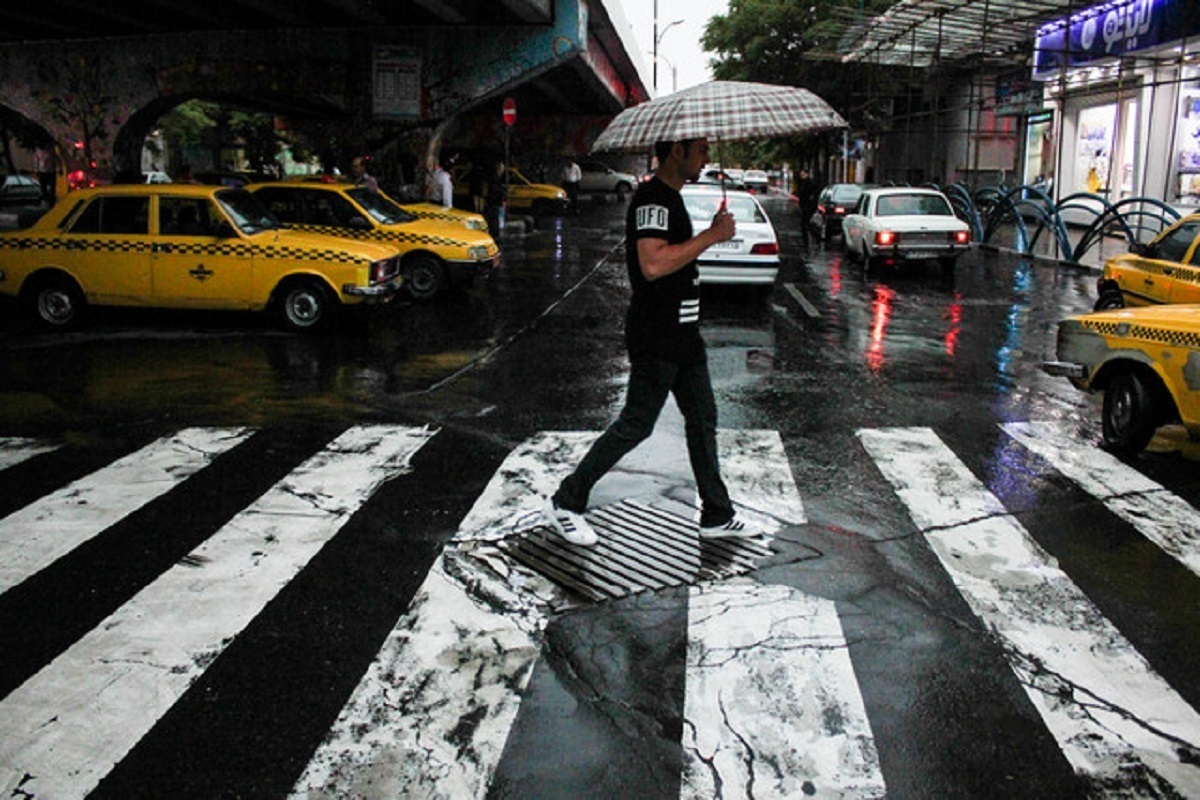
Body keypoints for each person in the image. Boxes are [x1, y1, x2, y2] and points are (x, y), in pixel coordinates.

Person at [538, 137, 760, 546]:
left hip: (684, 335)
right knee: (636, 425)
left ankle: (717, 513)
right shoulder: (652, 200)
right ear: (678, 152)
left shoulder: (672, 198)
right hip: (657, 334)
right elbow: (653, 264)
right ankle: (566, 502)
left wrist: (711, 234)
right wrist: (712, 236)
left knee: (703, 419)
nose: (706, 158)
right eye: (700, 151)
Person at [794, 168, 819, 251]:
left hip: (808, 207)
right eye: (801, 175)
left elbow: (812, 195)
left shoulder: (810, 184)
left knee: (806, 224)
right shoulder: (803, 183)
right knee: (805, 224)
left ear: (807, 174)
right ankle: (807, 241)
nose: (802, 176)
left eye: (803, 174)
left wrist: (809, 205)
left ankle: (812, 239)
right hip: (805, 206)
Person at [484, 160, 507, 237]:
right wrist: (502, 192)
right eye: (502, 168)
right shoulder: (495, 178)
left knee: (497, 216)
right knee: (495, 217)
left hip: (496, 201)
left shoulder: (496, 177)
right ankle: (495, 232)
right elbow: (495, 189)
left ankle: (496, 230)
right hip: (495, 201)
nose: (503, 170)